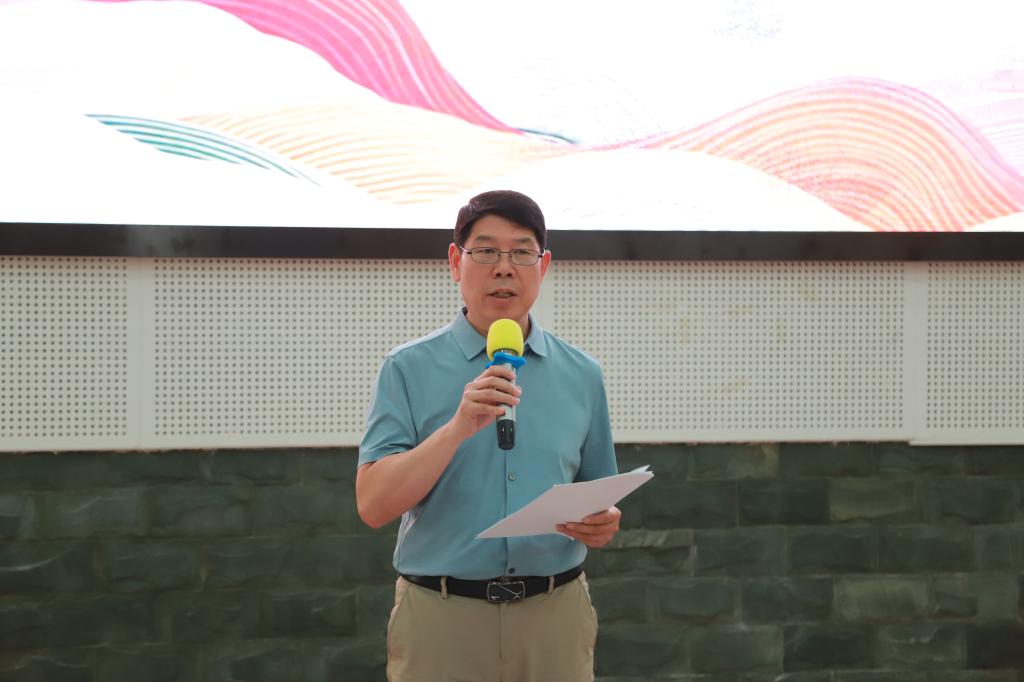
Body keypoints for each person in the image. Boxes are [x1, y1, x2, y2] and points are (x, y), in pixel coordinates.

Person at [357, 189, 621, 682]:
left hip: (554, 616)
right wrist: (458, 428)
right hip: (442, 617)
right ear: (455, 262)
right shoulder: (407, 368)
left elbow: (599, 498)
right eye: (486, 252)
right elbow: (373, 505)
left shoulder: (582, 373)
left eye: (521, 253)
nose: (504, 268)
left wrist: (602, 523)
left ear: (543, 266)